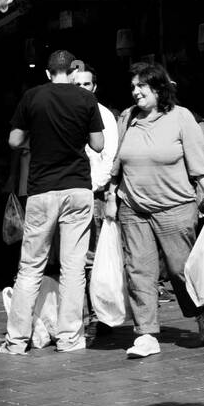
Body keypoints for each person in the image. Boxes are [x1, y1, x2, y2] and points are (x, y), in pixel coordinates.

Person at [106, 61, 204, 358]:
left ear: (158, 88)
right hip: (133, 207)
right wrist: (110, 195)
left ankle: (200, 313)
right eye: (132, 87)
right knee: (139, 271)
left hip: (175, 207)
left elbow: (199, 164)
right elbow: (117, 161)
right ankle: (146, 334)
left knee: (180, 271)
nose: (135, 92)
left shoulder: (181, 118)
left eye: (141, 86)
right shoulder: (127, 118)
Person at [0, 49, 104, 356]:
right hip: (77, 190)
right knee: (74, 268)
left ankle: (17, 341)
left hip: (43, 190)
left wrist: (38, 136)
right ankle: (70, 339)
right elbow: (98, 144)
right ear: (72, 72)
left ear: (47, 73)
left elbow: (14, 141)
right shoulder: (86, 100)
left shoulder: (32, 97)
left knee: (30, 267)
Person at [71, 66, 119, 329]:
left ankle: (96, 316)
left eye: (86, 84)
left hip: (93, 193)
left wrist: (92, 187)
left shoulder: (104, 116)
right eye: (76, 84)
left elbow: (108, 156)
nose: (82, 89)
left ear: (94, 87)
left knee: (93, 257)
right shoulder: (66, 111)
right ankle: (79, 314)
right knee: (72, 257)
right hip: (70, 192)